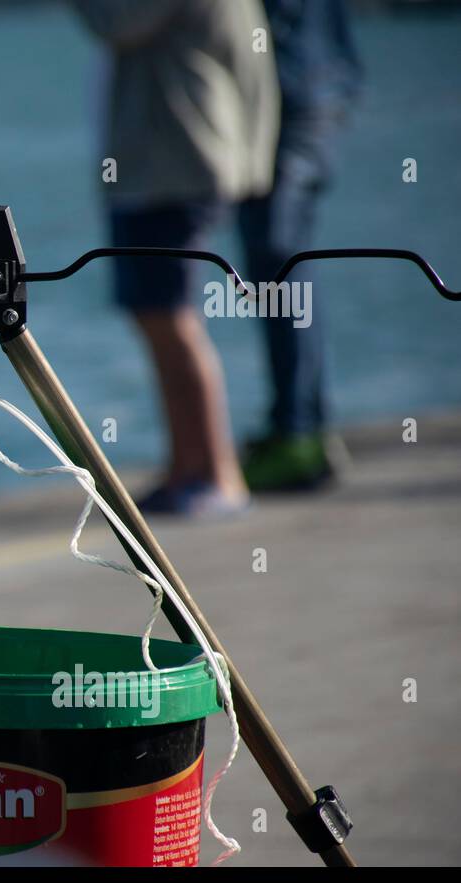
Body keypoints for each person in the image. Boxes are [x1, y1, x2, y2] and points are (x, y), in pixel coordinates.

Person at [70, 0, 279, 517]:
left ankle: (217, 476)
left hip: (171, 171)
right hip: (169, 169)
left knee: (172, 316)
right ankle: (187, 468)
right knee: (158, 314)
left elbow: (113, 21)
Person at [239, 0, 361, 491]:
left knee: (281, 262)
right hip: (315, 88)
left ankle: (299, 435)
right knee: (285, 264)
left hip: (290, 100)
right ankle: (296, 426)